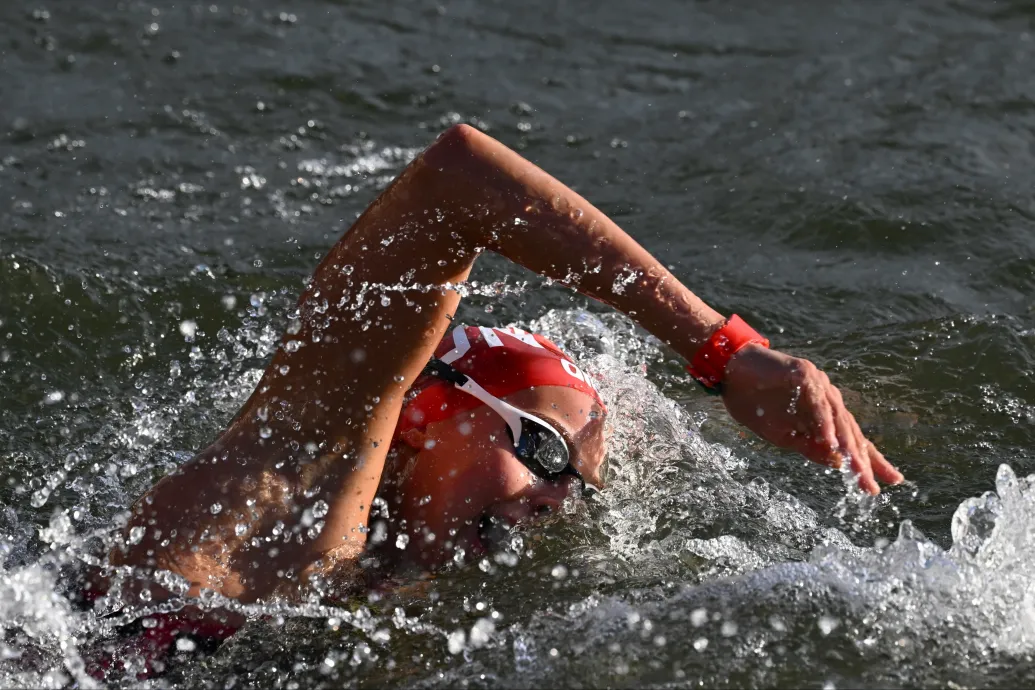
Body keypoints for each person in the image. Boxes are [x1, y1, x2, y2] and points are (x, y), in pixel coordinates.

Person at [84, 124, 903, 673]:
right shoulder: (297, 481)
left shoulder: (392, 596)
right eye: (544, 452)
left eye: (574, 484)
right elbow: (458, 180)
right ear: (428, 410)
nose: (557, 499)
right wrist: (724, 353)